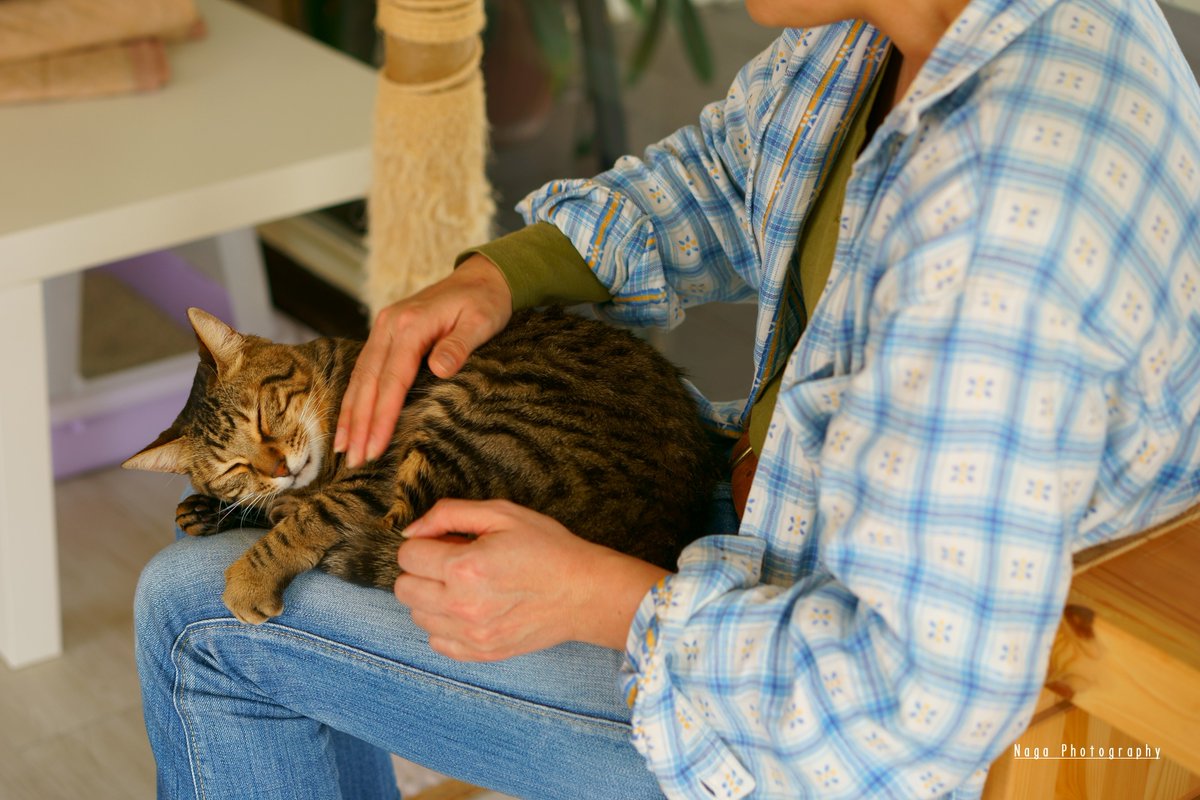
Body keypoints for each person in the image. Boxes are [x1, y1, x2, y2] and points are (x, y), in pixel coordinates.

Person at [134, 0, 1200, 794]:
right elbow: (734, 168)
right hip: (778, 539)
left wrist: (600, 597)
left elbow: (902, 710)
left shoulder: (1003, 218)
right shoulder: (886, 36)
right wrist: (505, 273)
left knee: (193, 611)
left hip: (810, 716)